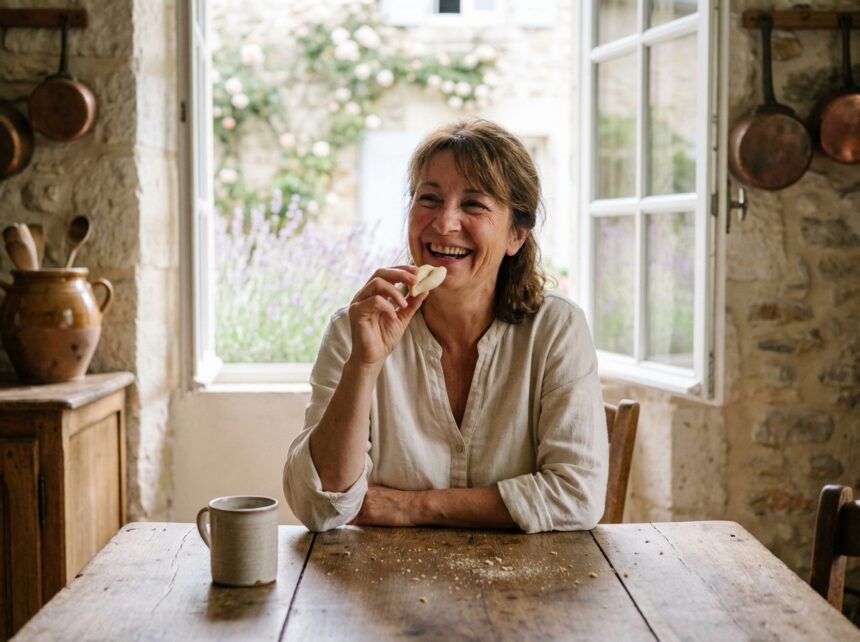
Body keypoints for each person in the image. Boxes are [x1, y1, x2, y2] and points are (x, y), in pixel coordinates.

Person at [283, 118, 608, 533]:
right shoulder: (355, 330)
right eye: (429, 199)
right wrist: (363, 365)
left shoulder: (556, 329)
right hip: (381, 586)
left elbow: (577, 496)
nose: (444, 223)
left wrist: (411, 507)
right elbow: (320, 506)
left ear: (516, 236)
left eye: (474, 205)